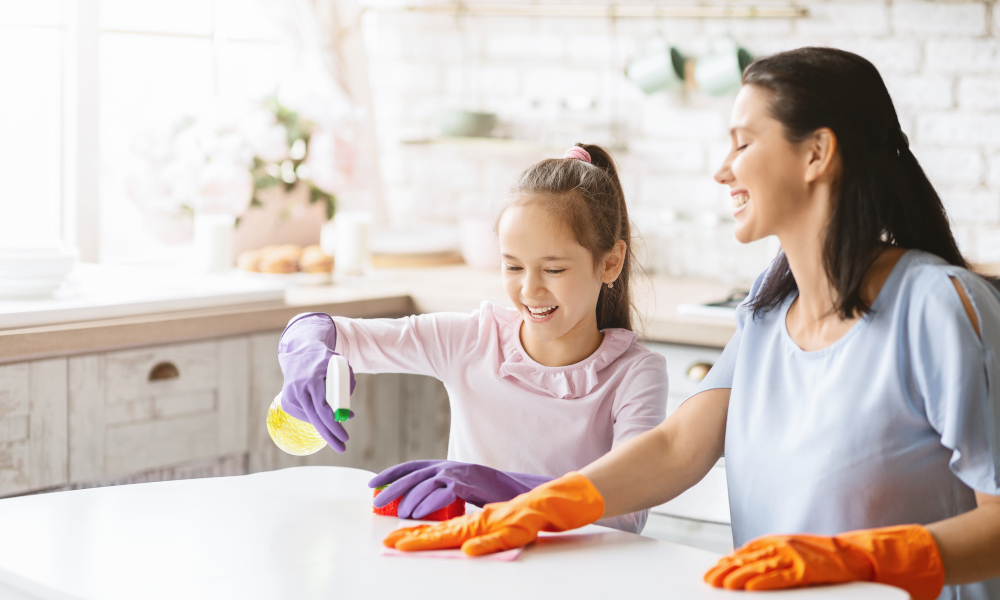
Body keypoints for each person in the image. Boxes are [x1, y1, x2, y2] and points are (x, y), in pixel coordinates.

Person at [382, 47, 1000, 600]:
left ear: (816, 153)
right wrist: (543, 505)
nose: (722, 169)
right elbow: (679, 446)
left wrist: (862, 558)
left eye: (742, 142)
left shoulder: (941, 308)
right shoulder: (767, 310)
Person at [277, 144, 667, 533]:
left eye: (553, 270)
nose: (530, 290)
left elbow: (628, 508)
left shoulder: (635, 375)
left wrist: (501, 489)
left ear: (610, 262)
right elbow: (331, 332)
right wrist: (305, 350)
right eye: (512, 265)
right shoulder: (472, 340)